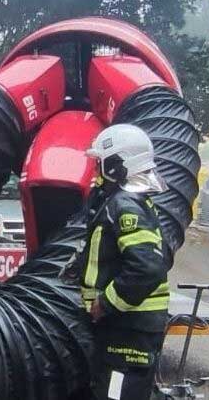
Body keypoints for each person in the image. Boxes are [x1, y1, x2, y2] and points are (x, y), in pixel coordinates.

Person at [79, 123, 172, 400]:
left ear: (116, 166)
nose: (96, 172)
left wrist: (105, 303)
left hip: (129, 328)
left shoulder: (125, 206)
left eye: (100, 164)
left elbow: (147, 268)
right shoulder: (132, 202)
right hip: (128, 327)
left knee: (116, 395)